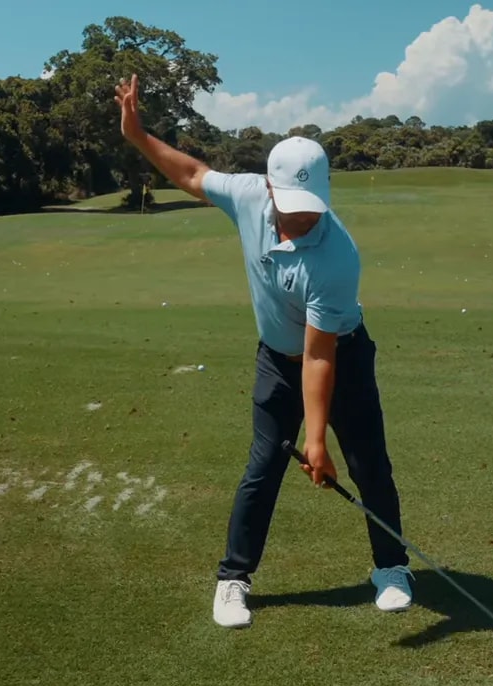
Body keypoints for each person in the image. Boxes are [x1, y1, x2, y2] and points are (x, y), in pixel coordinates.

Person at [115, 75, 414, 628]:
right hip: (277, 359)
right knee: (262, 468)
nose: (305, 215)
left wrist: (317, 439)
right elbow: (191, 173)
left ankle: (392, 567)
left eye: (313, 204)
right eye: (293, 202)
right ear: (270, 187)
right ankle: (233, 580)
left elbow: (320, 355)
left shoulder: (337, 256)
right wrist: (137, 134)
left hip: (340, 358)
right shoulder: (248, 196)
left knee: (369, 463)